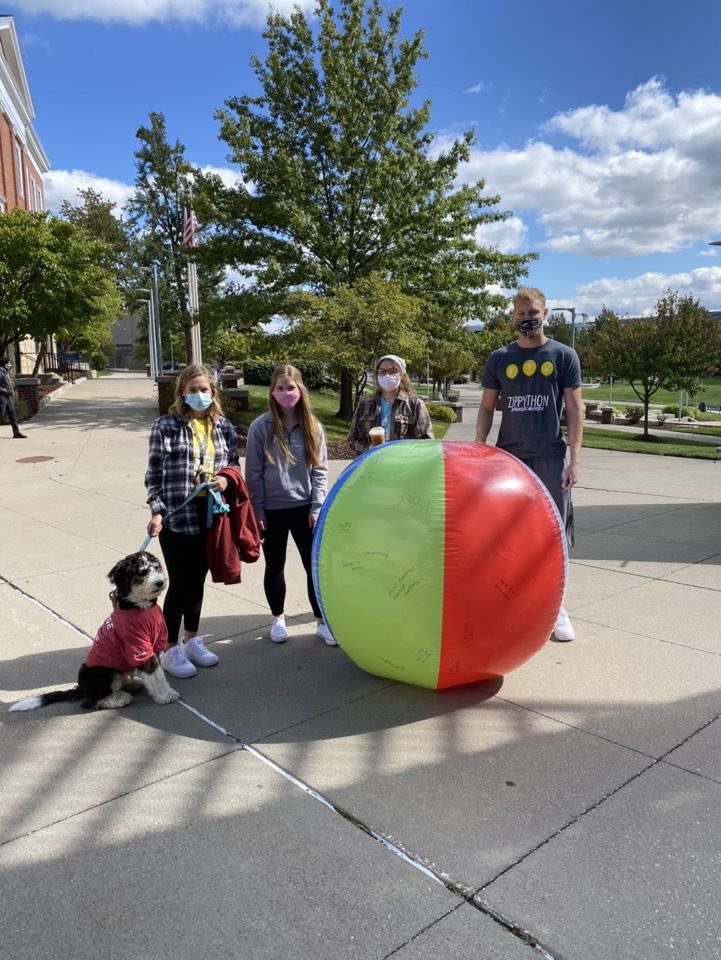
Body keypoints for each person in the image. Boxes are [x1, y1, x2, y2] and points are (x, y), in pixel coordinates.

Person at [475, 286, 583, 642]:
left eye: (532, 312)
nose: (526, 319)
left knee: (554, 535)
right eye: (520, 314)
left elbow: (574, 410)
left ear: (546, 313)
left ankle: (557, 606)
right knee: (507, 534)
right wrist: (479, 448)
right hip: (509, 458)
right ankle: (513, 601)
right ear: (512, 318)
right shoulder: (499, 358)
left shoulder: (564, 355)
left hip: (550, 457)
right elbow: (488, 407)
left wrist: (575, 459)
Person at [145, 364, 240, 678]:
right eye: (192, 390)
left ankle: (192, 639)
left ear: (213, 392)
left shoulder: (223, 426)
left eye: (204, 389)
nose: (199, 395)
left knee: (198, 581)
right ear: (182, 393)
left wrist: (224, 481)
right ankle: (170, 647)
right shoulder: (166, 426)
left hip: (211, 514)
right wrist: (157, 511)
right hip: (177, 514)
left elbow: (233, 466)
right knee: (180, 583)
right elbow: (153, 474)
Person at [244, 363, 335, 646]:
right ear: (272, 392)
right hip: (271, 509)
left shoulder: (312, 426)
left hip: (305, 509)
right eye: (280, 388)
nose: (285, 393)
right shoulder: (261, 427)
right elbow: (253, 473)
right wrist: (257, 510)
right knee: (275, 565)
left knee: (313, 567)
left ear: (300, 390)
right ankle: (278, 618)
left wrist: (317, 505)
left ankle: (321, 621)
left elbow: (320, 470)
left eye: (290, 388)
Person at [348, 354, 433, 455]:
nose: (387, 376)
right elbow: (352, 440)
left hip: (404, 467)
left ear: (401, 375)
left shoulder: (415, 405)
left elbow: (427, 442)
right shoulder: (365, 405)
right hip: (372, 466)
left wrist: (405, 452)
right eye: (382, 372)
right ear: (377, 375)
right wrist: (367, 449)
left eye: (392, 371)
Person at [0, 357, 27, 439]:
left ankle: (16, 432)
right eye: (8, 363)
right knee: (0, 413)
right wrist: (5, 390)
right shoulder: (0, 372)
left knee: (12, 414)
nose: (10, 365)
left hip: (8, 396)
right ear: (5, 364)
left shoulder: (6, 372)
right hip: (2, 396)